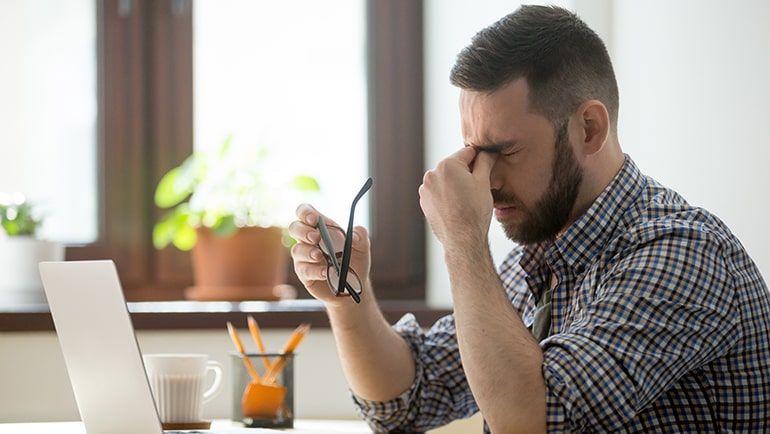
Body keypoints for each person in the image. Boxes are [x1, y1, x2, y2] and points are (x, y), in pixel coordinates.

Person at [288, 4, 770, 433]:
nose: (485, 178)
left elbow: (531, 420)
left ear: (589, 129)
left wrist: (462, 238)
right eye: (475, 152)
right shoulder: (542, 259)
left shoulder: (682, 253)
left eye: (505, 151)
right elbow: (406, 399)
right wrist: (346, 297)